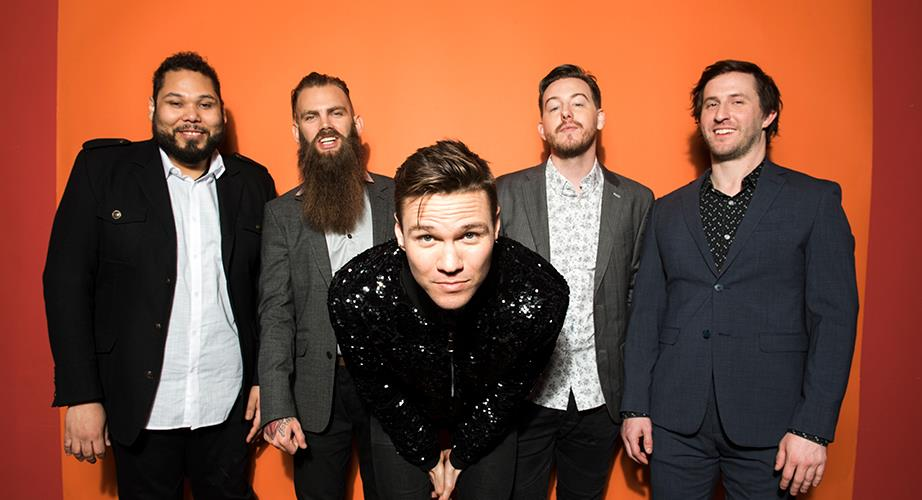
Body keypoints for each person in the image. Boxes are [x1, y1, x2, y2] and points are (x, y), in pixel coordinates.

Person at [620, 60, 859, 499]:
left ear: (768, 115)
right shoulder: (667, 210)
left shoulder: (814, 201)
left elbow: (835, 320)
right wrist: (635, 405)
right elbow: (646, 314)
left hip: (773, 425)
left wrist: (813, 427)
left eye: (737, 101)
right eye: (711, 104)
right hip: (674, 422)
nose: (721, 114)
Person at [44, 51, 275, 498]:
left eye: (205, 104)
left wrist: (267, 380)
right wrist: (81, 395)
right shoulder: (102, 171)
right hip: (139, 405)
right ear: (153, 108)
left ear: (221, 114)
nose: (192, 115)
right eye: (176, 102)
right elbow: (65, 283)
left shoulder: (253, 183)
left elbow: (267, 293)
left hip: (227, 405)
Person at [328, 140, 569, 500]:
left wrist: (462, 455)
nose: (451, 264)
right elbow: (381, 389)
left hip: (488, 409)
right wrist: (424, 453)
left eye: (469, 235)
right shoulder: (355, 294)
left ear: (496, 226)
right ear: (399, 233)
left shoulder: (540, 293)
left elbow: (508, 390)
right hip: (401, 408)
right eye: (427, 237)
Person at [496, 64, 654, 499]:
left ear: (599, 117)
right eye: (554, 107)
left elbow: (641, 304)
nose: (566, 114)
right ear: (541, 127)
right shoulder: (504, 193)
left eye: (578, 103)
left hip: (599, 396)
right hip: (526, 395)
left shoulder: (637, 200)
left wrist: (638, 401)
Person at [258, 72, 391, 499]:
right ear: (296, 130)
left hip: (391, 387)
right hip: (317, 390)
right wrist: (277, 406)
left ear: (356, 122)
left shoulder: (397, 196)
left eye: (336, 113)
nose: (325, 125)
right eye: (311, 116)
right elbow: (276, 314)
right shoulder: (281, 215)